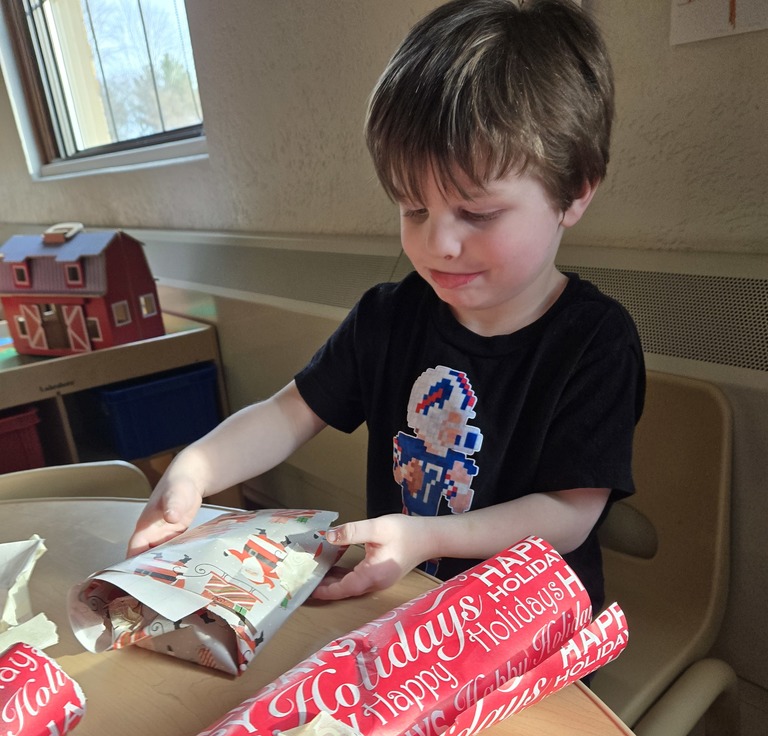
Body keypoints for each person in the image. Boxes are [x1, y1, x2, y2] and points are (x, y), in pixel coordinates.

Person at [128, 0, 645, 612]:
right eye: (412, 209)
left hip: (527, 627)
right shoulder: (388, 317)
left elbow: (569, 515)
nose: (439, 244)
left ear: (575, 191)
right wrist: (197, 466)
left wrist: (425, 535)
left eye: (477, 213)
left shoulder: (595, 340)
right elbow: (286, 414)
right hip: (405, 608)